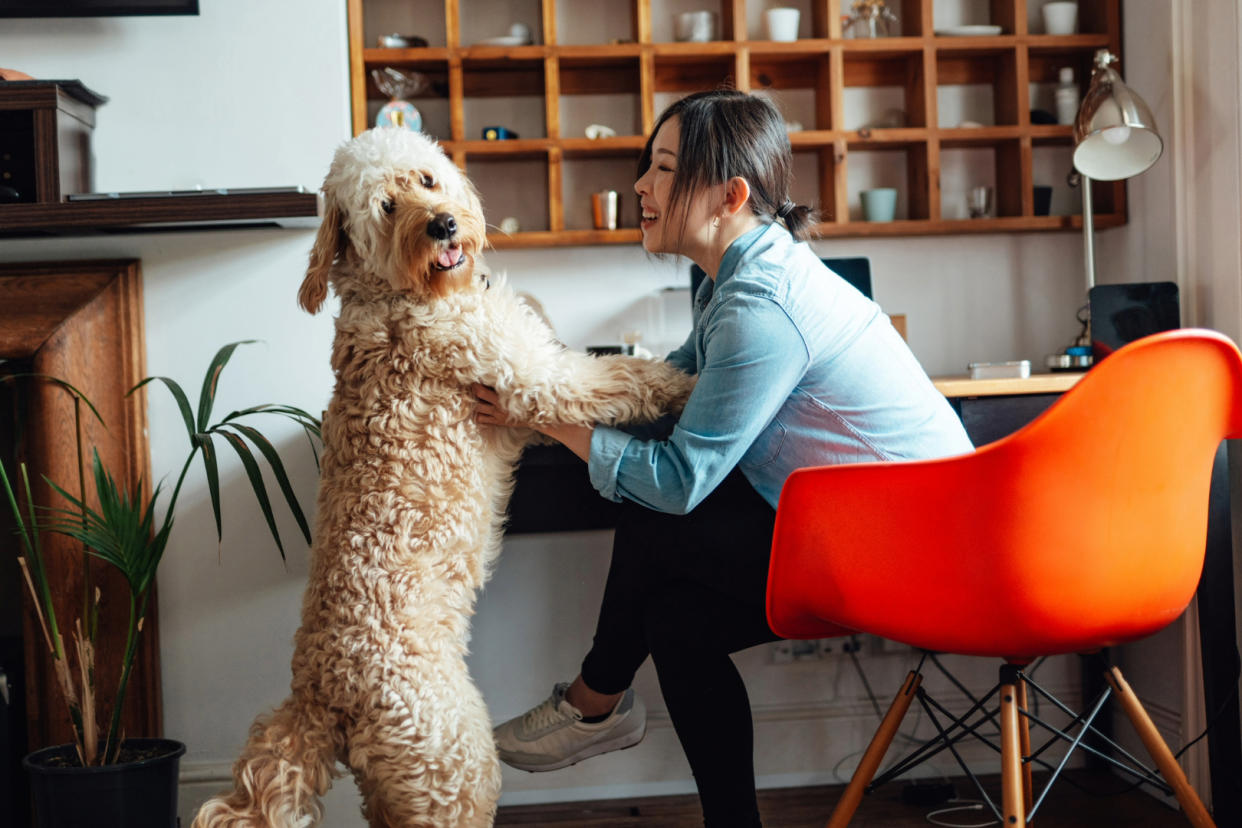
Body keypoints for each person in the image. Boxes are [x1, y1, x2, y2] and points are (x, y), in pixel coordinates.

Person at [474, 89, 973, 827]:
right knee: (678, 619)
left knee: (662, 514)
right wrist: (542, 393)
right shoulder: (731, 280)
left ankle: (594, 701)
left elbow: (678, 482)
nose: (641, 186)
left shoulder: (760, 305)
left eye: (665, 168)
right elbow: (671, 391)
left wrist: (551, 420)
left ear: (730, 194)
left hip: (916, 549)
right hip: (858, 526)